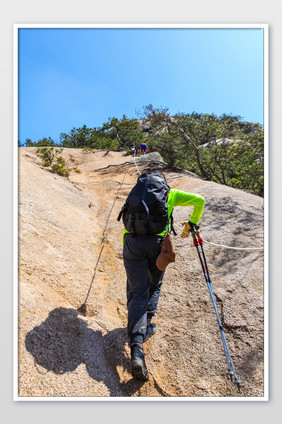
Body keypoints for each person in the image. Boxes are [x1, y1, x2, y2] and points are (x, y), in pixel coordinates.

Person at [120, 171, 205, 381]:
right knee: (154, 286)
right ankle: (146, 324)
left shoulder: (136, 193)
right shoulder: (171, 194)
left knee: (136, 290)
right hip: (157, 245)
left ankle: (137, 348)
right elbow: (200, 200)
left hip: (132, 243)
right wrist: (191, 223)